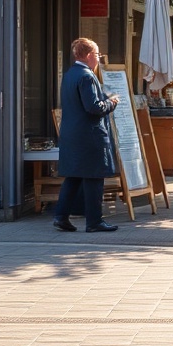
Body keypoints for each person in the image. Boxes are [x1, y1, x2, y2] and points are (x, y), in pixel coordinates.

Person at [52, 38, 120, 233]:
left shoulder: (70, 74)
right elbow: (93, 107)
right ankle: (94, 221)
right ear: (89, 55)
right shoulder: (87, 76)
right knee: (94, 178)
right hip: (89, 136)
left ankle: (61, 216)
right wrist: (111, 103)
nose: (99, 59)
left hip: (71, 134)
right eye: (98, 55)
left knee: (72, 177)